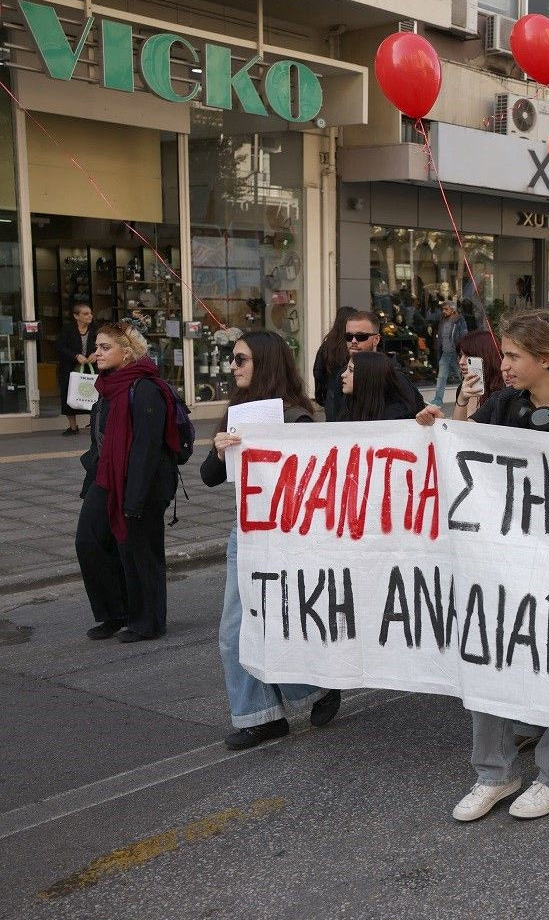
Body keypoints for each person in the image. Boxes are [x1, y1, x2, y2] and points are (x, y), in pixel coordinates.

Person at [416, 309, 549, 823]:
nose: (504, 365)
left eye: (513, 356)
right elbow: (462, 451)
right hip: (500, 569)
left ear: (547, 359)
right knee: (487, 656)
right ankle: (494, 773)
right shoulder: (500, 406)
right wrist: (440, 426)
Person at [201, 331, 340, 748]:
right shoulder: (238, 411)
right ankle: (259, 716)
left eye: (241, 359)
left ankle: (315, 688)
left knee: (283, 623)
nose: (233, 366)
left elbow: (315, 479)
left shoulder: (296, 416)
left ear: (264, 363)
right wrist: (220, 451)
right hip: (245, 533)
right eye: (232, 358)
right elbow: (209, 477)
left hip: (288, 536)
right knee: (235, 630)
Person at [75, 321, 183, 643]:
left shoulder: (146, 388)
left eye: (105, 347)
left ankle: (147, 621)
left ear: (128, 351)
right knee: (89, 541)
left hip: (141, 484)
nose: (97, 354)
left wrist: (134, 499)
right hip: (106, 477)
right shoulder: (107, 386)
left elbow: (147, 448)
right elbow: (102, 438)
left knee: (138, 550)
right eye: (96, 347)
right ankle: (114, 613)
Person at [325, 310, 424, 421]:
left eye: (361, 336)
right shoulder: (342, 374)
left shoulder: (393, 374)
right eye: (348, 336)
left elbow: (412, 410)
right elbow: (334, 415)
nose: (353, 341)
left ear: (376, 339)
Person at [343, 351, 426, 421]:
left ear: (368, 377)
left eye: (351, 370)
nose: (343, 375)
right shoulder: (351, 403)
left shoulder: (395, 418)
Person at [56, 301, 97, 435]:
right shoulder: (67, 329)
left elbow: (103, 344)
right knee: (69, 394)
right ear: (76, 316)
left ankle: (95, 423)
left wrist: (96, 353)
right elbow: (60, 348)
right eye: (85, 314)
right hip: (70, 367)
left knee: (93, 395)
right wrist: (75, 356)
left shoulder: (95, 329)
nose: (89, 316)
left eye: (90, 313)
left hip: (91, 367)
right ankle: (73, 427)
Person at [311, 306, 356, 419]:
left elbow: (318, 372)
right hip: (351, 395)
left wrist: (320, 396)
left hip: (331, 395)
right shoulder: (355, 346)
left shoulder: (327, 346)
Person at [431, 299, 467, 407]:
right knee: (441, 377)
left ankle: (469, 397)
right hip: (445, 354)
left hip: (456, 354)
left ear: (452, 310)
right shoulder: (443, 321)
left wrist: (462, 353)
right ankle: (438, 400)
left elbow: (464, 336)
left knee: (462, 377)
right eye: (443, 309)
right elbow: (441, 336)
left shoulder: (459, 320)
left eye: (446, 309)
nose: (443, 311)